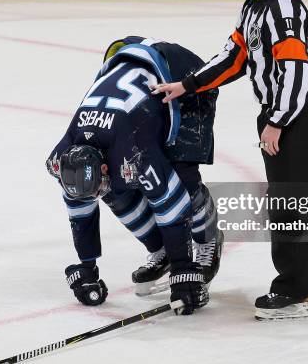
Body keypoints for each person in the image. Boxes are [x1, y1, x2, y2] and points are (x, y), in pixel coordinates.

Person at [152, 0, 308, 320]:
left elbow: (297, 73)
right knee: (293, 198)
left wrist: (278, 121)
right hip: (282, 110)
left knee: (291, 203)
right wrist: (187, 84)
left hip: (297, 109)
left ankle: (296, 292)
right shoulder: (254, 6)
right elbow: (233, 56)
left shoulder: (285, 7)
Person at [47, 36, 224, 315]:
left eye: (102, 180)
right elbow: (80, 213)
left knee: (183, 182)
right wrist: (87, 266)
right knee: (115, 192)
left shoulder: (132, 151)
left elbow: (170, 202)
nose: (98, 192)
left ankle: (208, 240)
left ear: (104, 166)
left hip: (182, 77)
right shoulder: (61, 160)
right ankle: (161, 250)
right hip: (132, 101)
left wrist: (182, 268)